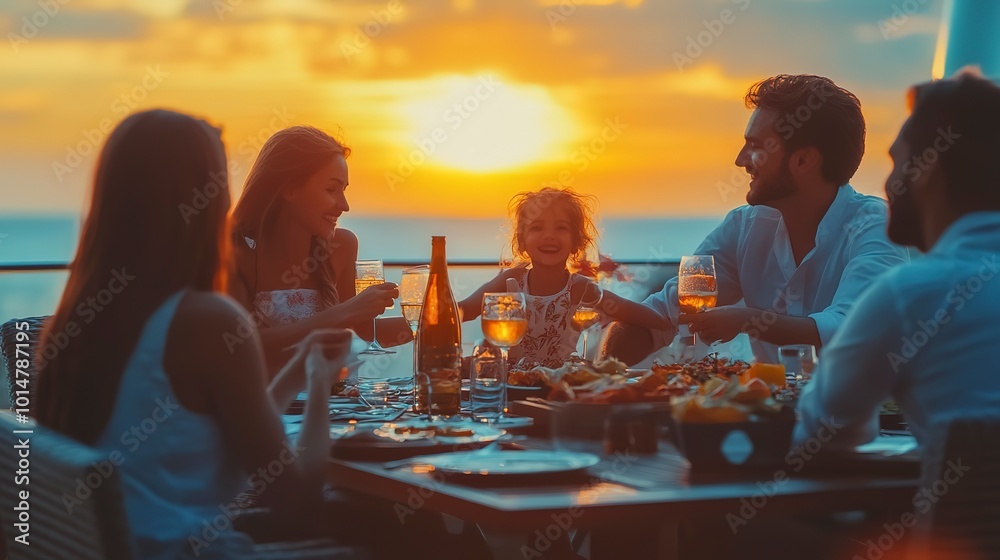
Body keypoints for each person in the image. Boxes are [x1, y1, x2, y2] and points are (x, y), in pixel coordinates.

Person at [32, 110, 351, 559]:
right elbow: (296, 500)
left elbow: (218, 439)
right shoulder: (207, 320)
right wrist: (320, 386)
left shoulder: (79, 321)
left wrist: (301, 371)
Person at [603, 74, 909, 365]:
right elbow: (660, 315)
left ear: (802, 160)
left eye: (756, 146)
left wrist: (748, 321)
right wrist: (597, 381)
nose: (740, 160)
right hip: (766, 415)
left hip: (868, 417)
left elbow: (851, 327)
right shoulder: (743, 227)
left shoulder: (875, 225)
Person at [795, 71, 1000, 447]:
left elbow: (824, 429)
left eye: (896, 163)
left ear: (926, 173)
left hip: (965, 506)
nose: (887, 186)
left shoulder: (915, 295)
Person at [229, 126, 410, 375]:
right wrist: (346, 311)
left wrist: (457, 311)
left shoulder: (342, 246)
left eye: (344, 190)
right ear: (289, 188)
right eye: (331, 190)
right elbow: (244, 346)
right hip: (272, 407)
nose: (344, 206)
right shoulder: (238, 252)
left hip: (337, 404)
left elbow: (365, 332)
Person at [459, 187, 667, 367]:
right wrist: (431, 312)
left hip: (556, 386)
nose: (549, 235)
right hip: (508, 384)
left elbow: (633, 312)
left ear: (576, 242)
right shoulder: (511, 281)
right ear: (522, 241)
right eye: (537, 227)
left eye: (561, 228)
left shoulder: (581, 288)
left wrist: (670, 319)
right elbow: (463, 311)